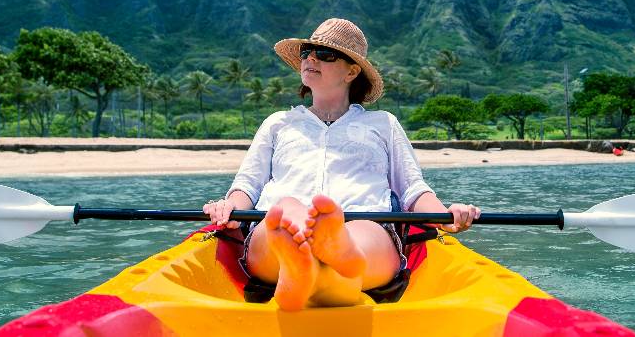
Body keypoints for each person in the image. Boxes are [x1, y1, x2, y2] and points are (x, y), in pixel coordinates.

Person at [204, 18, 480, 311]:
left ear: (351, 71)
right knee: (285, 211)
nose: (310, 58)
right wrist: (228, 206)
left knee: (358, 233)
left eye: (325, 54)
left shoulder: (383, 124)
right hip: (276, 230)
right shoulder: (278, 124)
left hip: (366, 226)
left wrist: (446, 216)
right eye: (307, 52)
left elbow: (412, 189)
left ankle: (321, 259)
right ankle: (319, 265)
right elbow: (247, 185)